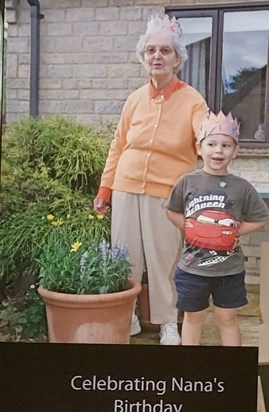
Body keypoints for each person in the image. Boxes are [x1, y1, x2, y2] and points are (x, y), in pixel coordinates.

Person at [93, 14, 209, 345]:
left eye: (165, 51)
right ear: (143, 57)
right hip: (126, 186)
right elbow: (118, 146)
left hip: (168, 192)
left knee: (164, 259)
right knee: (124, 255)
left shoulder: (192, 100)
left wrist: (215, 145)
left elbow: (204, 137)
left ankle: (168, 322)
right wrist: (105, 188)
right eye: (151, 50)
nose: (157, 56)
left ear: (177, 59)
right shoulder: (134, 100)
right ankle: (126, 315)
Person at [167, 111, 269, 346]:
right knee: (193, 318)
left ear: (235, 152)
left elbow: (260, 217)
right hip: (192, 268)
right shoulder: (187, 182)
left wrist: (234, 230)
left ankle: (231, 371)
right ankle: (190, 369)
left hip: (229, 270)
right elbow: (172, 209)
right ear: (199, 148)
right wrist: (190, 227)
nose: (218, 150)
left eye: (226, 145)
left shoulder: (242, 187)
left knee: (228, 318)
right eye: (211, 144)